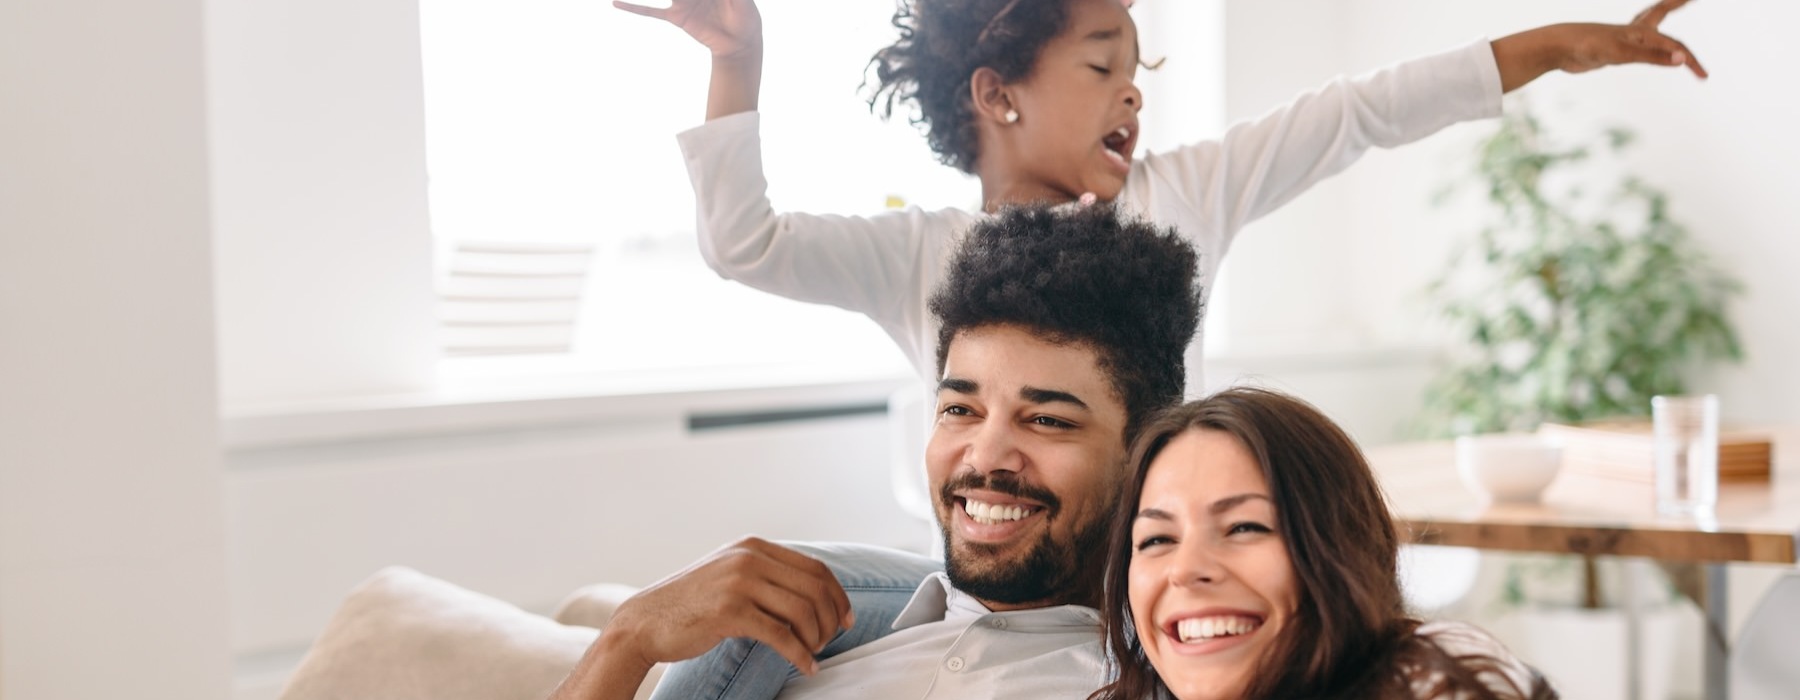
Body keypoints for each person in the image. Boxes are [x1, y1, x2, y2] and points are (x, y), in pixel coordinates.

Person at [613, 0, 1705, 382]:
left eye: (1141, 77)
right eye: (1101, 69)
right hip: (985, 583)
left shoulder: (1182, 197)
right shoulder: (918, 257)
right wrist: (737, 64)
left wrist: (1558, 46)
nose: (1131, 98)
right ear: (997, 94)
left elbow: (1360, 109)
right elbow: (742, 245)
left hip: (1143, 585)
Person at [549, 202, 1203, 700]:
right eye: (959, 410)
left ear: (1145, 451)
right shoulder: (815, 640)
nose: (985, 455)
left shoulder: (1133, 678)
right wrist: (625, 641)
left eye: (1047, 420)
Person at [1094, 387, 1552, 700]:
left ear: (1338, 548)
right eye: (1157, 539)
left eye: (1245, 527)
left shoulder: (1433, 677)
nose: (1186, 568)